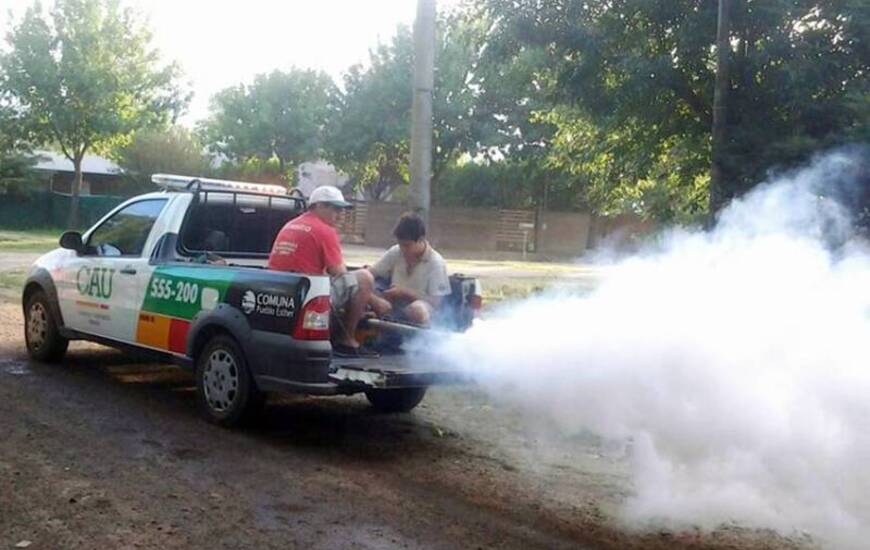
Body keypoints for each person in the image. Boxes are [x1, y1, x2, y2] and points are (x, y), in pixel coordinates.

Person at [267, 185, 377, 357]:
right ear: (319, 206)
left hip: (280, 291)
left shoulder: (291, 224)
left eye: (342, 210)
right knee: (364, 278)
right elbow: (340, 273)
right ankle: (347, 341)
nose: (340, 215)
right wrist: (375, 300)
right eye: (336, 209)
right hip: (306, 295)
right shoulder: (324, 230)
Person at [367, 212, 451, 326]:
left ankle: (415, 341)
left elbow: (435, 303)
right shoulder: (396, 251)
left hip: (422, 310)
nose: (403, 249)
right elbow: (370, 273)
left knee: (417, 310)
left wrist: (405, 293)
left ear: (421, 239)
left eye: (407, 245)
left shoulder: (435, 263)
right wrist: (375, 297)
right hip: (392, 304)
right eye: (400, 244)